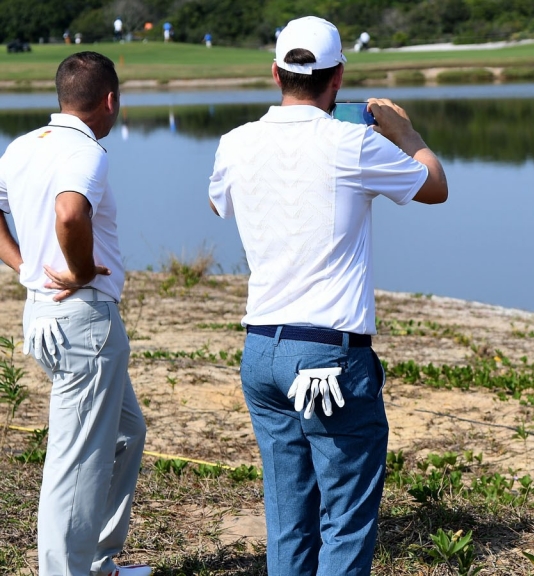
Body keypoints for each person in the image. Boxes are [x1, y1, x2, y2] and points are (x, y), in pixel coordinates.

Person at [207, 15, 447, 575]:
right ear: (338, 76)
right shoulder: (354, 142)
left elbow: (218, 202)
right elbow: (434, 186)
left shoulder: (235, 143)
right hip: (330, 359)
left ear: (275, 73)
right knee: (346, 516)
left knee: (288, 515)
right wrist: (406, 135)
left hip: (262, 350)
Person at [0, 52, 149, 576]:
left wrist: (23, 268)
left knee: (127, 433)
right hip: (83, 323)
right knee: (76, 463)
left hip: (45, 317)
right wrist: (82, 270)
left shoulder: (22, 146)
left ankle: (99, 560)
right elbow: (70, 212)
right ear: (109, 101)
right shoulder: (88, 152)